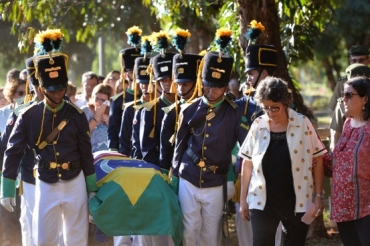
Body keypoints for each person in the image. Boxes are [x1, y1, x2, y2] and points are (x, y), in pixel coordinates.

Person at [0, 29, 98, 245]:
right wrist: (6, 186)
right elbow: (12, 150)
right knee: (44, 239)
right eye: (51, 90)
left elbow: (85, 152)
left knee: (76, 238)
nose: (56, 94)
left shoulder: (77, 115)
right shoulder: (28, 115)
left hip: (75, 180)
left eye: (60, 89)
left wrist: (92, 188)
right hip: (44, 181)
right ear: (42, 87)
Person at [171, 29, 248, 246]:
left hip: (216, 180)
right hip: (189, 175)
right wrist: (175, 175)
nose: (211, 91)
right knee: (189, 230)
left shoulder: (234, 112)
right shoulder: (190, 109)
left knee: (210, 235)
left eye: (217, 87)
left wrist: (235, 177)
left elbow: (244, 147)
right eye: (208, 85)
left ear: (225, 87)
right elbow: (180, 144)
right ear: (202, 82)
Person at [239, 77, 326, 246]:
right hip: (262, 201)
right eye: (266, 108)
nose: (271, 112)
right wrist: (243, 201)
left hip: (297, 200)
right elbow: (247, 163)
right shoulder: (258, 124)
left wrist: (318, 196)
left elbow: (319, 160)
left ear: (285, 103)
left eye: (275, 108)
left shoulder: (303, 123)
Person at [323, 76, 370, 246]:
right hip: (343, 208)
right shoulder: (348, 124)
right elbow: (334, 163)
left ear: (365, 99)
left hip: (366, 210)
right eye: (343, 95)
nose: (344, 99)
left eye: (349, 95)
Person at [328, 45, 370, 149]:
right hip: (348, 144)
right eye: (354, 60)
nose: (357, 63)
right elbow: (335, 120)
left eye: (361, 60)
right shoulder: (342, 101)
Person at [108, 26, 143, 151]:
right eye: (131, 70)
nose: (135, 73)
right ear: (124, 74)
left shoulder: (150, 97)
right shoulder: (118, 101)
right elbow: (113, 133)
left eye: (138, 70)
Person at [118, 36, 153, 157]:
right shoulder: (128, 107)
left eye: (148, 83)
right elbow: (123, 140)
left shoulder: (162, 107)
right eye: (142, 83)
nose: (145, 87)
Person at [82, 83, 112, 152]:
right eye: (97, 98)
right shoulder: (86, 111)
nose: (99, 102)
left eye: (103, 100)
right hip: (89, 153)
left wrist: (108, 122)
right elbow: (82, 134)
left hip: (107, 155)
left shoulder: (111, 113)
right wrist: (95, 119)